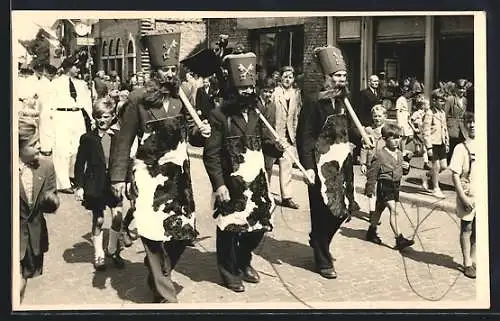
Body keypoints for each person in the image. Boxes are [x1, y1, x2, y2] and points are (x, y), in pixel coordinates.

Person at [109, 32, 211, 303]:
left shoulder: (183, 97)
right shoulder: (138, 99)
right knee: (153, 230)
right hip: (149, 174)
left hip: (178, 173)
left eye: (172, 69)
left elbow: (193, 133)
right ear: (154, 72)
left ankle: (159, 272)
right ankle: (166, 293)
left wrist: (202, 132)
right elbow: (123, 141)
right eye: (163, 70)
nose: (169, 74)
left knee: (182, 231)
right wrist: (118, 177)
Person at [203, 51, 284, 293]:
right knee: (230, 227)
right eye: (243, 89)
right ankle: (229, 270)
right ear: (232, 89)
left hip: (257, 181)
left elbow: (266, 143)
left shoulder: (259, 111)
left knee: (258, 226)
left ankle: (243, 258)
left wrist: (277, 147)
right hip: (232, 182)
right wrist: (219, 185)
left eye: (251, 87)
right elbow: (212, 154)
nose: (248, 93)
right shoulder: (220, 115)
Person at [296, 45, 360, 279]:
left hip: (342, 164)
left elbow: (350, 129)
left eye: (344, 76)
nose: (342, 80)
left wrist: (365, 136)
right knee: (323, 212)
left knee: (341, 211)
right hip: (320, 164)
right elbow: (305, 136)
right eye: (338, 76)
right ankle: (322, 259)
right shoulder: (313, 101)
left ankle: (319, 240)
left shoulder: (346, 100)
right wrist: (308, 167)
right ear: (327, 78)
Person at [74, 98, 125, 271]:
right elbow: (80, 163)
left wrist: (129, 181)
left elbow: (125, 161)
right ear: (94, 118)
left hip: (115, 183)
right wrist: (79, 186)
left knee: (118, 217)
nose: (102, 120)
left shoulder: (119, 137)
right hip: (95, 185)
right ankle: (98, 254)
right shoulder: (88, 138)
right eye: (98, 117)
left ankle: (112, 250)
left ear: (113, 117)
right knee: (99, 220)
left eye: (106, 116)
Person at [19, 116, 60, 302]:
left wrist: (52, 201)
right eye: (33, 143)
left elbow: (50, 198)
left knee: (22, 283)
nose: (39, 146)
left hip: (32, 238)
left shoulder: (46, 166)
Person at [364, 123, 414, 251]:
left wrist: (407, 168)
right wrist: (370, 188)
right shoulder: (380, 155)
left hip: (396, 185)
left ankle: (371, 231)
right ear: (385, 139)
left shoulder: (399, 154)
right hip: (384, 185)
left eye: (398, 138)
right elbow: (372, 173)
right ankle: (399, 238)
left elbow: (403, 171)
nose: (397, 141)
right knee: (394, 210)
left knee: (379, 209)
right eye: (393, 138)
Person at [49, 56, 93, 193]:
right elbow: (49, 104)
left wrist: (92, 118)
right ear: (67, 67)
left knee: (78, 148)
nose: (78, 69)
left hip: (77, 116)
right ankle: (63, 183)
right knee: (62, 149)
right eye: (76, 66)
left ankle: (74, 176)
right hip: (61, 116)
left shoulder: (81, 84)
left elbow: (87, 103)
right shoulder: (55, 83)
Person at [270, 66, 302, 209]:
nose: (288, 79)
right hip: (273, 134)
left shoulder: (296, 94)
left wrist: (294, 135)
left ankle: (286, 197)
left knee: (287, 166)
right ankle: (264, 194)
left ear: (293, 79)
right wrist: (271, 135)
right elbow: (268, 113)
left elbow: (296, 116)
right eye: (285, 76)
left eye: (290, 77)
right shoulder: (275, 93)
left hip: (288, 136)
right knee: (268, 166)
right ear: (280, 78)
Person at [449, 111, 476, 279]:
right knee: (467, 228)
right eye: (469, 122)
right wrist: (463, 197)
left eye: (475, 122)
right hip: (468, 193)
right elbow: (455, 175)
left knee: (479, 230)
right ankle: (467, 262)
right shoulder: (461, 148)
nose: (472, 125)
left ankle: (473, 259)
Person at [360, 104, 388, 224]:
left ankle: (377, 211)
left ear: (385, 117)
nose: (377, 118)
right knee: (372, 187)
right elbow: (364, 148)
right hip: (372, 163)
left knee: (382, 189)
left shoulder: (388, 130)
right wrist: (363, 163)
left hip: (386, 164)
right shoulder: (368, 130)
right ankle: (372, 212)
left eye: (380, 116)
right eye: (375, 116)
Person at [422, 88, 449, 198]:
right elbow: (426, 131)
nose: (442, 102)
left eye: (443, 100)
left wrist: (447, 143)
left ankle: (427, 176)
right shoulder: (429, 113)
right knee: (436, 166)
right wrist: (428, 147)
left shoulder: (442, 113)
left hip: (441, 142)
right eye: (440, 100)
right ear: (434, 101)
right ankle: (436, 188)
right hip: (433, 143)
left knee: (444, 166)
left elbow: (445, 128)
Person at [445, 79, 470, 163]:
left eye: (463, 88)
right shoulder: (450, 99)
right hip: (452, 128)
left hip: (462, 129)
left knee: (460, 149)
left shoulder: (465, 100)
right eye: (459, 88)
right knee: (451, 151)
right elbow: (444, 114)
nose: (461, 90)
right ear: (455, 88)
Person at [258, 77, 277, 180]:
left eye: (270, 92)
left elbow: (273, 124)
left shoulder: (272, 105)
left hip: (269, 142)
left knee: (268, 168)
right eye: (265, 91)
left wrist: (274, 140)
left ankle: (267, 191)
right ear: (260, 90)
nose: (268, 94)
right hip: (257, 142)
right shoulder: (255, 105)